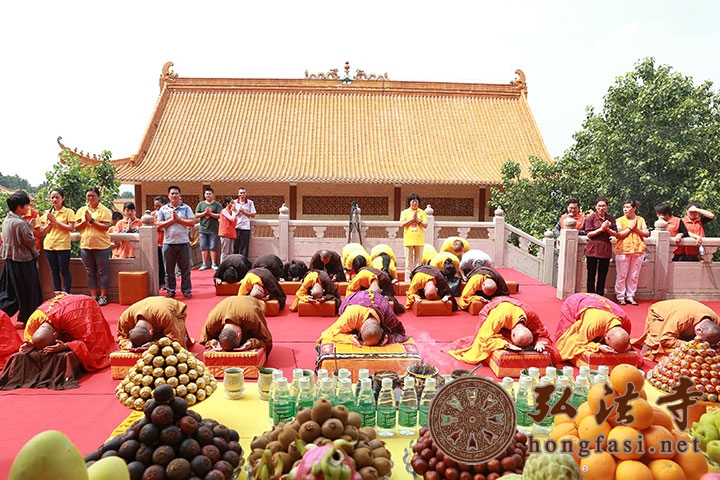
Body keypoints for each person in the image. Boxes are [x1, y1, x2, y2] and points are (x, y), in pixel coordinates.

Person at [0, 294, 117, 390]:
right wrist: (32, 344)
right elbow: (29, 340)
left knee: (97, 345)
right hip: (61, 313)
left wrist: (66, 346)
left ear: (56, 335)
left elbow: (89, 344)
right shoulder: (33, 322)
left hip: (81, 306)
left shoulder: (77, 321)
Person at [448, 296, 561, 364]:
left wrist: (541, 342)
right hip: (491, 312)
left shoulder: (531, 316)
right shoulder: (498, 317)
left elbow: (541, 333)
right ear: (512, 334)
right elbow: (484, 337)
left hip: (513, 307)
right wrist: (505, 344)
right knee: (481, 345)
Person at [0, 191, 43, 323]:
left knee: (11, 293)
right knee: (29, 292)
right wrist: (31, 228)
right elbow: (30, 242)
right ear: (19, 207)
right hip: (23, 261)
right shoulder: (20, 223)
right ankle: (29, 319)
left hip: (11, 260)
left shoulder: (7, 220)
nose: (28, 208)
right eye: (26, 206)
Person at [554, 292, 633, 362]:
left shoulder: (626, 324)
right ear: (606, 336)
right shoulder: (593, 326)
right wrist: (598, 346)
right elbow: (579, 342)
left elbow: (623, 343)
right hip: (575, 302)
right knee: (568, 342)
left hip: (599, 305)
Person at [632, 299, 720, 361]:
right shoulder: (682, 321)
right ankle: (649, 344)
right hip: (661, 312)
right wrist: (691, 345)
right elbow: (665, 339)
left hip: (684, 312)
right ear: (699, 330)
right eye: (701, 340)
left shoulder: (716, 321)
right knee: (655, 344)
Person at [74, 187, 113, 306]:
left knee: (102, 272)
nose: (90, 198)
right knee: (90, 272)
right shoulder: (81, 210)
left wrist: (91, 220)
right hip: (86, 245)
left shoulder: (105, 210)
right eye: (88, 196)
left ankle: (103, 296)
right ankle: (93, 296)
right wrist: (85, 221)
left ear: (98, 197)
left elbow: (106, 227)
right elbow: (76, 226)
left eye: (93, 196)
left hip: (101, 246)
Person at [156, 185, 195, 299]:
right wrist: (171, 220)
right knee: (169, 270)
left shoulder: (186, 208)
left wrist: (179, 220)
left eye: (176, 193)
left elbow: (192, 222)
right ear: (168, 196)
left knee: (185, 269)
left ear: (180, 195)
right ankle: (170, 290)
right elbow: (158, 224)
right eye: (172, 193)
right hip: (168, 243)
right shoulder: (163, 209)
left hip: (183, 243)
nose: (174, 195)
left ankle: (186, 290)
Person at [199, 296, 273, 353]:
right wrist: (211, 342)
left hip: (250, 303)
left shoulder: (253, 319)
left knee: (248, 340)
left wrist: (252, 343)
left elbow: (267, 340)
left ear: (239, 335)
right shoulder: (212, 322)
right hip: (227, 304)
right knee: (228, 341)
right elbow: (204, 340)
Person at [117, 296, 190, 352]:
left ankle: (184, 338)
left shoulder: (165, 316)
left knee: (176, 346)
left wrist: (155, 344)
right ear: (130, 331)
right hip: (151, 306)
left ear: (151, 332)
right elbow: (121, 336)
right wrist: (127, 344)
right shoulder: (125, 318)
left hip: (174, 310)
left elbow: (174, 338)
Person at [38, 188, 76, 295]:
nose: (54, 200)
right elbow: (43, 230)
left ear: (63, 198)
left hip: (63, 245)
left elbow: (71, 228)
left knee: (64, 270)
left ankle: (67, 292)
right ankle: (57, 293)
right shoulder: (48, 213)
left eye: (57, 197)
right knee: (54, 271)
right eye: (52, 198)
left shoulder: (69, 212)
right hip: (49, 245)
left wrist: (56, 221)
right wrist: (50, 223)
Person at [316, 303, 408, 347]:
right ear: (360, 329)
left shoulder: (387, 315)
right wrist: (349, 338)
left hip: (379, 302)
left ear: (382, 330)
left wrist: (388, 337)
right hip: (354, 302)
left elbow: (401, 332)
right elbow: (329, 334)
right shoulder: (350, 316)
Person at [614, 199, 649, 306]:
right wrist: (630, 228)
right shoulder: (619, 220)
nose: (625, 209)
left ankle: (630, 296)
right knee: (622, 275)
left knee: (634, 275)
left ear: (634, 208)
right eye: (624, 207)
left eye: (628, 207)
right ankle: (620, 296)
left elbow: (646, 233)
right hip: (623, 250)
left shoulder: (640, 220)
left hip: (638, 249)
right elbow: (619, 235)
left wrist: (636, 229)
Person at [584, 196, 617, 296]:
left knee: (603, 274)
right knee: (591, 273)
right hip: (593, 247)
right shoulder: (591, 218)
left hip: (605, 247)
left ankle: (600, 295)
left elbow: (615, 233)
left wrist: (608, 230)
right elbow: (589, 234)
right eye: (599, 206)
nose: (601, 208)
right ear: (595, 207)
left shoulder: (610, 218)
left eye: (603, 206)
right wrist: (601, 229)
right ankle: (590, 295)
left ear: (607, 207)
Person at [194, 187, 222, 271]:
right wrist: (204, 213)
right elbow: (196, 215)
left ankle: (213, 263)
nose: (208, 195)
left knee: (213, 247)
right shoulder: (201, 204)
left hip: (213, 229)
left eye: (210, 194)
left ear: (213, 195)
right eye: (207, 194)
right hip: (203, 229)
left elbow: (220, 215)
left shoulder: (217, 205)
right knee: (204, 247)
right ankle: (204, 264)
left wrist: (211, 214)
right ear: (204, 195)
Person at [400, 193, 427, 273]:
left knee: (418, 261)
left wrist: (417, 221)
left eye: (416, 201)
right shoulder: (404, 212)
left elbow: (425, 225)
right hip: (409, 239)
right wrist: (412, 220)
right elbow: (402, 224)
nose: (414, 203)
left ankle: (417, 277)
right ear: (409, 202)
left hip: (419, 239)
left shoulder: (422, 212)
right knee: (408, 261)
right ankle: (408, 278)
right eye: (413, 201)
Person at [233, 187, 256, 257]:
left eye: (244, 193)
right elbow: (232, 214)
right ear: (238, 194)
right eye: (241, 193)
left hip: (245, 227)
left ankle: (244, 261)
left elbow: (253, 215)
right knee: (235, 246)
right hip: (236, 227)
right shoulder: (234, 202)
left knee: (245, 246)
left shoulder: (250, 202)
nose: (242, 195)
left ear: (246, 194)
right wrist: (238, 212)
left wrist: (244, 212)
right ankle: (235, 261)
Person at [152, 195, 167, 290]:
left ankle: (164, 282)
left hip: (165, 241)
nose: (157, 208)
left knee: (164, 264)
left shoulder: (167, 214)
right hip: (154, 242)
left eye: (159, 205)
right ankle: (156, 282)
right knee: (156, 264)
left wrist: (160, 226)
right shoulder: (152, 215)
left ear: (164, 204)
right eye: (155, 205)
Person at [218, 196, 237, 263]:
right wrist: (234, 212)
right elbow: (231, 219)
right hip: (225, 233)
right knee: (225, 252)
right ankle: (223, 265)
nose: (233, 204)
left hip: (231, 233)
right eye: (231, 203)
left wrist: (234, 212)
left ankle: (230, 265)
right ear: (227, 203)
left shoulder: (231, 212)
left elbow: (235, 221)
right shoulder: (224, 211)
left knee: (231, 251)